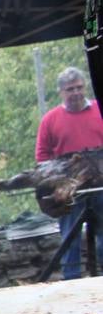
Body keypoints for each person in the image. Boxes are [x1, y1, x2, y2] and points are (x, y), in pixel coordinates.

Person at [34, 66, 103, 279]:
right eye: (70, 89)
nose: (75, 93)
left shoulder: (99, 110)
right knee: (69, 240)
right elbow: (42, 157)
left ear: (85, 87)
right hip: (69, 191)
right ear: (61, 92)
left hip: (101, 186)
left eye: (79, 88)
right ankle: (71, 284)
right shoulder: (50, 120)